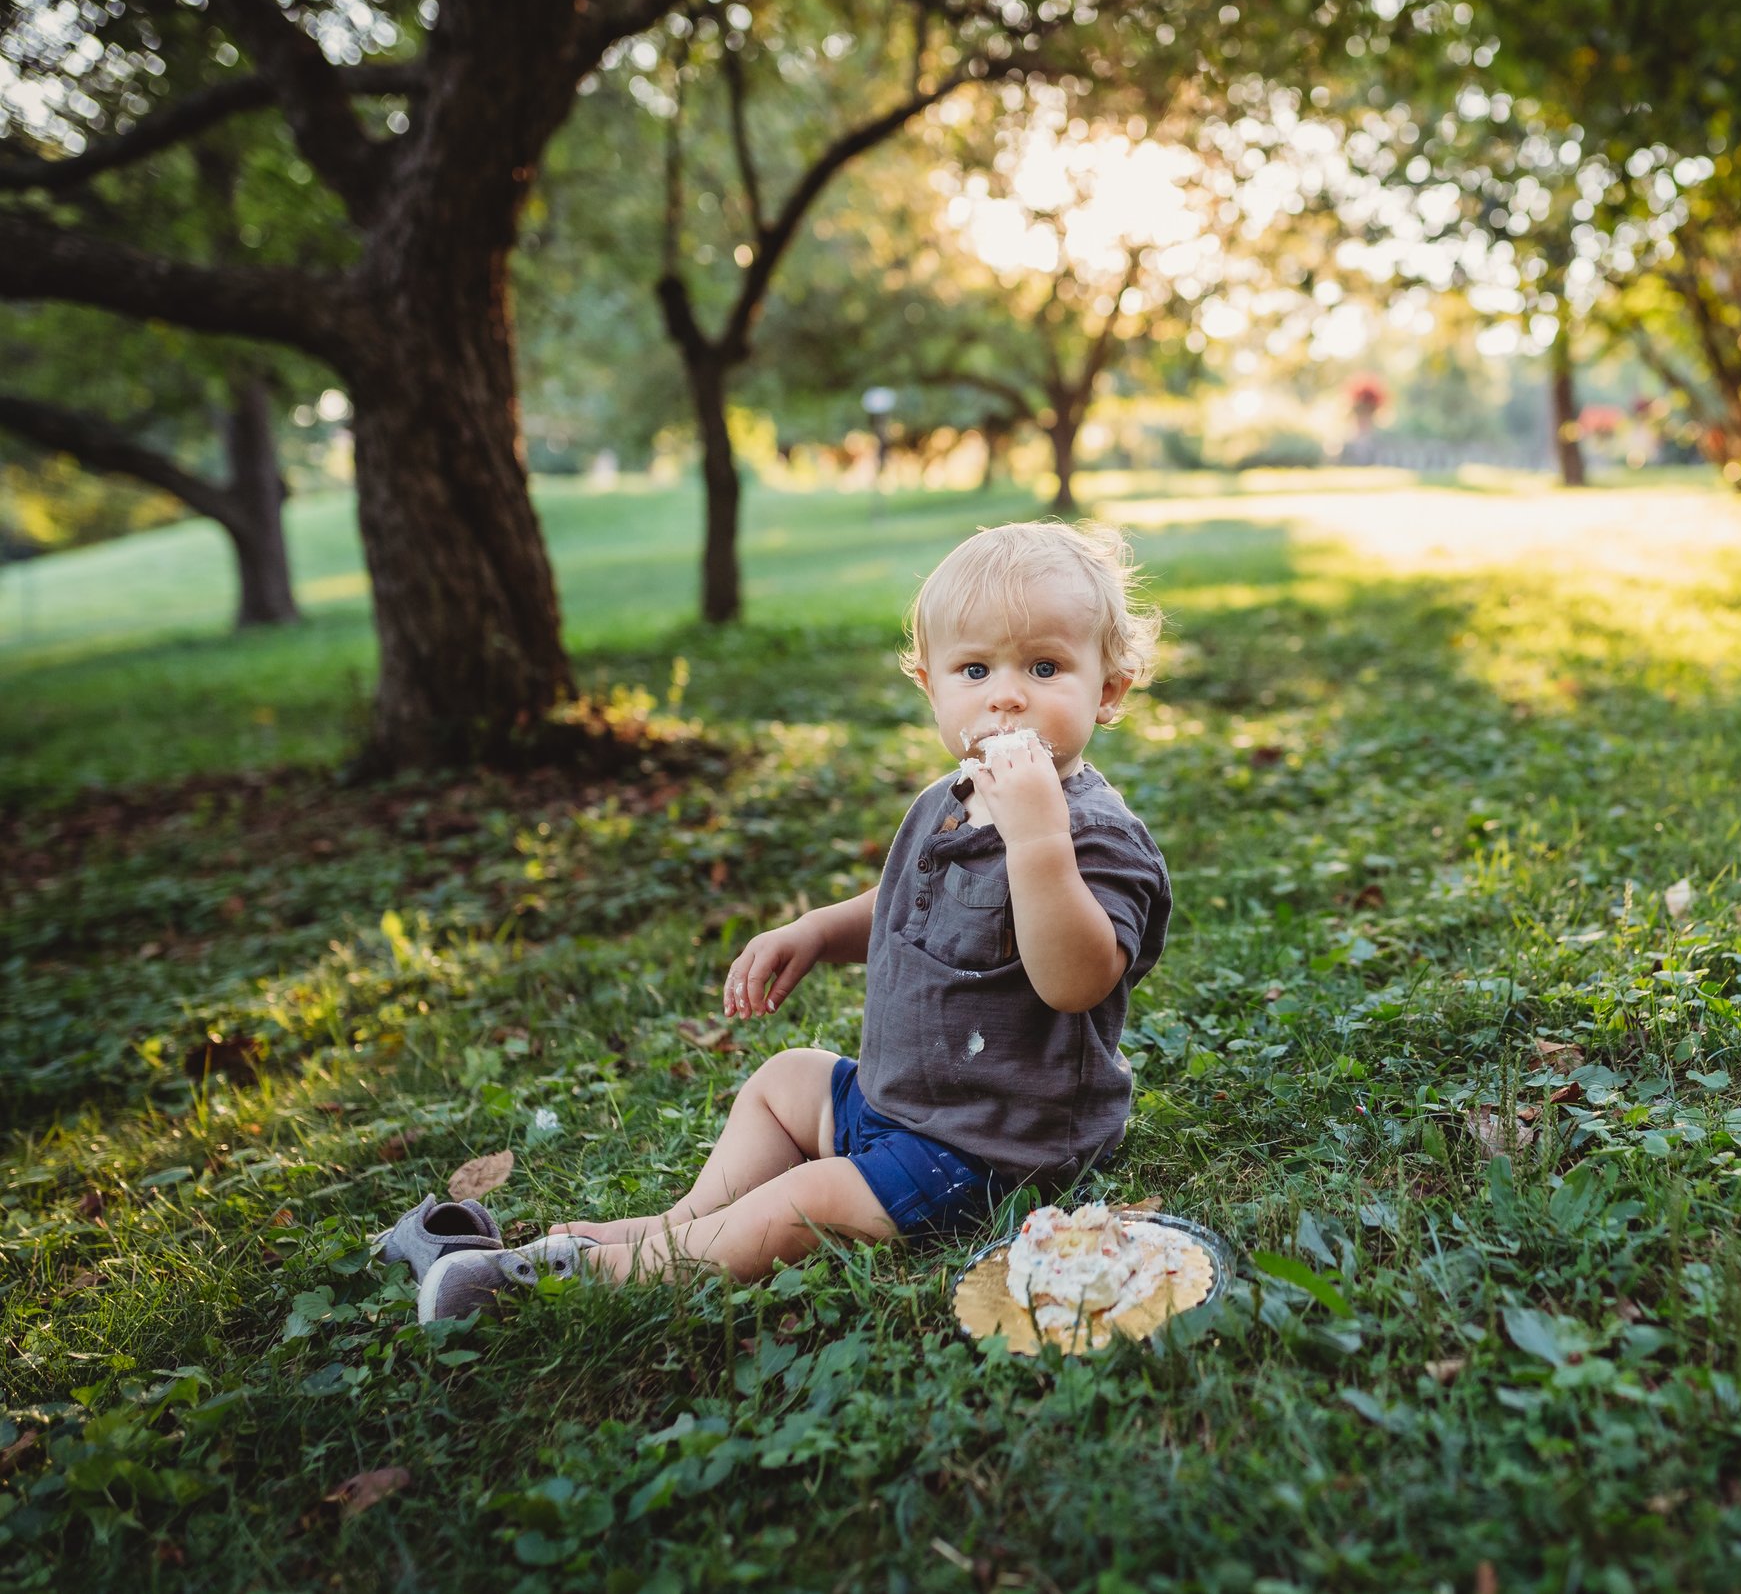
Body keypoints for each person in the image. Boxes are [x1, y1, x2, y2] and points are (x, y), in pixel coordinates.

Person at [410, 522, 1171, 1321]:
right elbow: (913, 904)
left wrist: (1039, 841)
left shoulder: (1092, 834)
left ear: (1108, 689)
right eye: (974, 668)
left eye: (1044, 667)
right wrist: (817, 930)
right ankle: (678, 1225)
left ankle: (594, 1274)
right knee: (785, 1080)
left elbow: (1077, 980)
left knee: (803, 1198)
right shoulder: (947, 803)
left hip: (998, 1144)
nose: (1006, 694)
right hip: (898, 1101)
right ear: (932, 688)